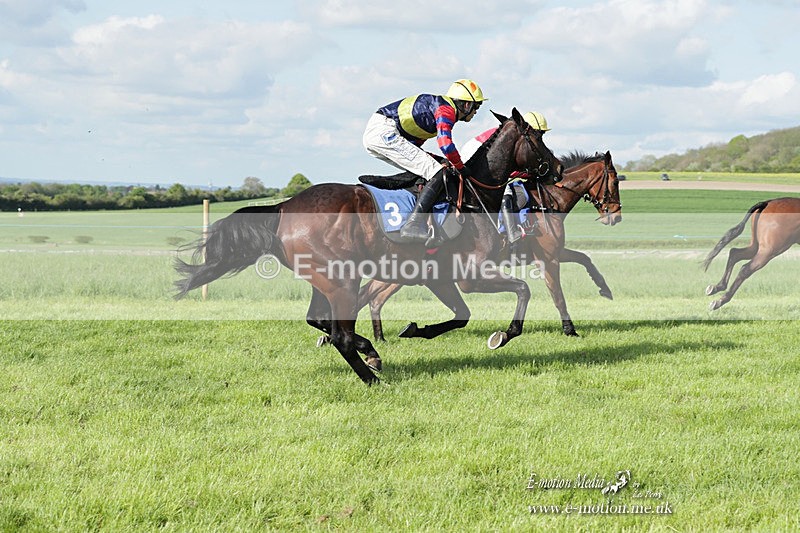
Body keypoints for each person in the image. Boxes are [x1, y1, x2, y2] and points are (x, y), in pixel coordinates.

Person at [363, 79, 488, 242]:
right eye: (476, 106)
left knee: (430, 169)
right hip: (384, 132)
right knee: (437, 171)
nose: (476, 111)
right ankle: (413, 224)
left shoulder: (440, 109)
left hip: (380, 133)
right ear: (466, 105)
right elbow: (445, 144)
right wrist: (460, 166)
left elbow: (415, 146)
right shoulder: (446, 110)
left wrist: (441, 159)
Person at [460, 111, 550, 245]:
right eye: (539, 133)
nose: (539, 137)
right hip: (473, 153)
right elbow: (504, 170)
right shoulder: (510, 136)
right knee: (505, 189)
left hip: (479, 153)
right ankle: (512, 232)